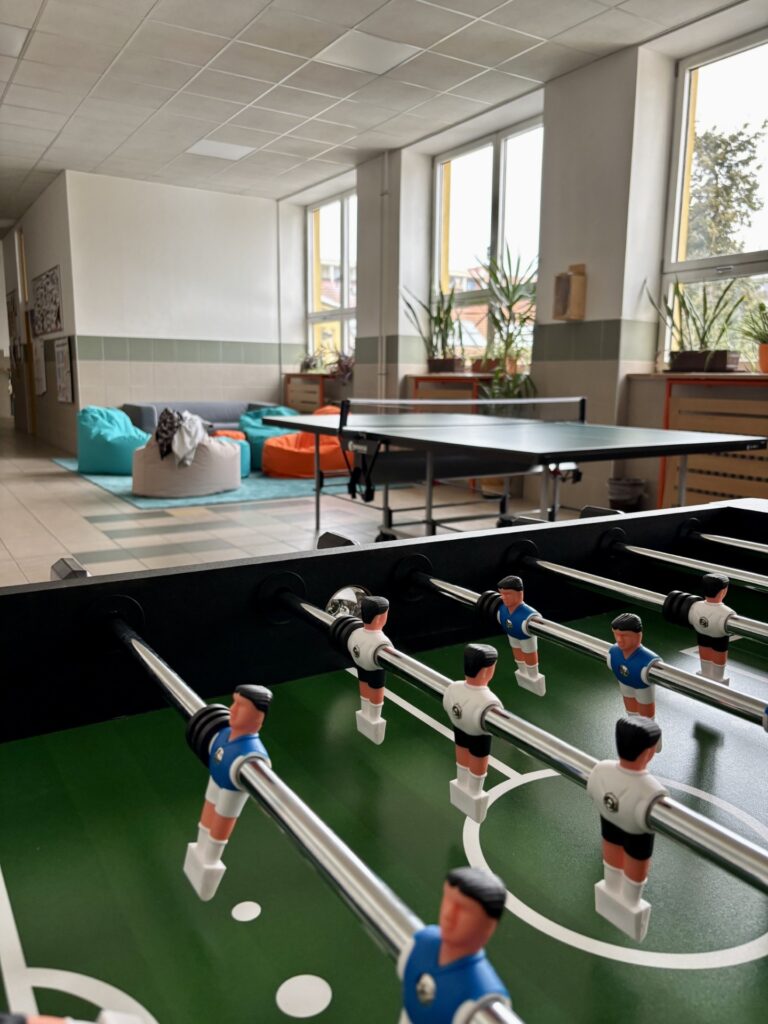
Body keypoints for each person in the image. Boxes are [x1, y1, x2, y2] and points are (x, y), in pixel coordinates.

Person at [184, 685, 272, 901]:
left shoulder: (252, 756)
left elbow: (264, 779)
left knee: (223, 817)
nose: (232, 709)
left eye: (241, 706)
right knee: (209, 807)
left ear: (258, 719)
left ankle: (210, 861)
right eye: (234, 703)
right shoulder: (223, 734)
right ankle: (200, 849)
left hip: (231, 787)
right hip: (217, 777)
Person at [587, 717, 667, 942]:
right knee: (636, 858)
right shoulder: (651, 790)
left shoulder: (601, 770)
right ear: (648, 753)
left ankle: (611, 886)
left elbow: (592, 790)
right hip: (637, 832)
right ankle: (630, 901)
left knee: (611, 848)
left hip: (609, 821)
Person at [399, 867, 510, 1024]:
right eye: (447, 900)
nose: (449, 914)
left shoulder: (485, 1001)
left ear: (489, 926)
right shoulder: (418, 945)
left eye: (463, 909)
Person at [442, 645, 501, 823]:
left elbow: (446, 704)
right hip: (479, 733)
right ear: (487, 671)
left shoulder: (453, 688)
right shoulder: (490, 701)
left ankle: (462, 782)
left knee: (461, 748)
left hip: (459, 727)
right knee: (478, 755)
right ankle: (474, 791)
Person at [607, 613, 661, 731]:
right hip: (624, 683)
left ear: (638, 635)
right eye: (616, 634)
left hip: (642, 687)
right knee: (631, 711)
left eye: (624, 635)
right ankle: (634, 730)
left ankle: (651, 735)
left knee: (646, 718)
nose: (619, 640)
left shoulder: (649, 661)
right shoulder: (613, 653)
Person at [496, 576, 545, 695]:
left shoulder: (528, 613)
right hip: (512, 635)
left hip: (526, 637)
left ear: (520, 594)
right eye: (502, 594)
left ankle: (533, 676)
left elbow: (540, 623)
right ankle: (522, 672)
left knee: (529, 654)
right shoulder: (502, 610)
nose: (503, 597)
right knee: (517, 652)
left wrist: (537, 622)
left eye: (507, 594)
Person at [352, 595, 391, 744]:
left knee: (363, 681)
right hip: (375, 666)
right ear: (380, 618)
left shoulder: (357, 633)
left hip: (360, 662)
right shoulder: (382, 640)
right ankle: (374, 716)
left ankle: (365, 711)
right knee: (376, 687)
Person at [688, 573, 733, 683]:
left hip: (702, 633)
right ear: (723, 591)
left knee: (704, 646)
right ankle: (718, 677)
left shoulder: (696, 606)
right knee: (719, 651)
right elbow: (731, 628)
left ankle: (705, 672)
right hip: (719, 636)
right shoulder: (727, 612)